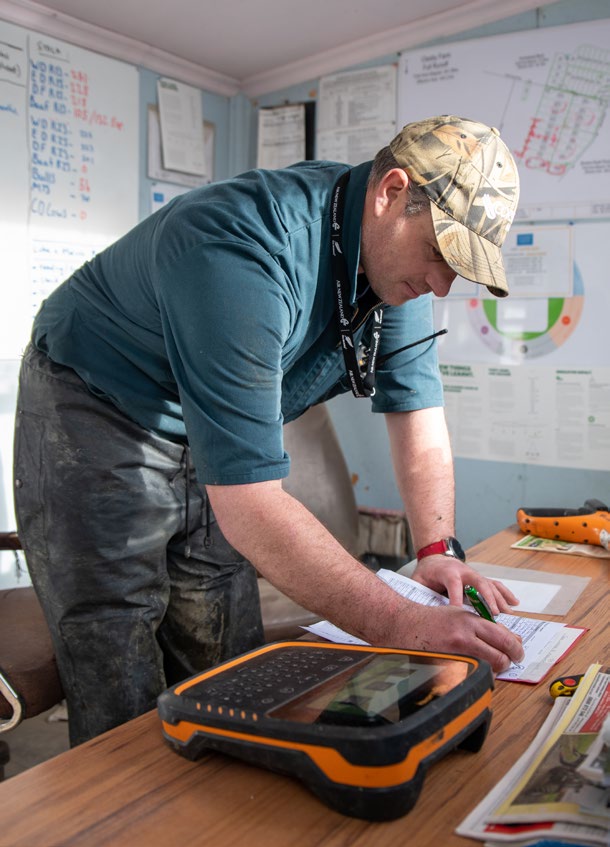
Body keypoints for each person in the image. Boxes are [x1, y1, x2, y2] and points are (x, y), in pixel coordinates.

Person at [13, 114, 525, 746]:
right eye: (443, 255)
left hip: (201, 427)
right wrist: (397, 621)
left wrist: (437, 552)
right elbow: (251, 504)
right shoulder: (239, 247)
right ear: (392, 193)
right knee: (116, 654)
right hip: (96, 405)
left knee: (227, 658)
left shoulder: (397, 272)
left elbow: (418, 417)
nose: (444, 284)